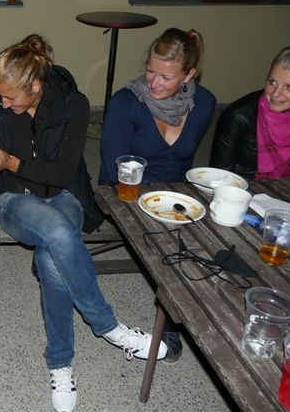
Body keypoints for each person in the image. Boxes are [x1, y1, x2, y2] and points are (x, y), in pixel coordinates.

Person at [0, 34, 166, 412]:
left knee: (51, 256)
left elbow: (62, 173)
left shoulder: (74, 105)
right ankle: (109, 327)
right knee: (60, 234)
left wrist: (11, 161)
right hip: (15, 197)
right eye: (0, 97)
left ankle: (60, 364)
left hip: (64, 194)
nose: (3, 103)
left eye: (11, 98)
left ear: (36, 86)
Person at [98, 28, 216, 364]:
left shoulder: (204, 103)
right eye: (150, 71)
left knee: (212, 236)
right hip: (124, 191)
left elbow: (184, 161)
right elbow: (115, 166)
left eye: (166, 77)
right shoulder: (125, 103)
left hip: (173, 194)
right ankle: (171, 326)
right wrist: (159, 199)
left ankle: (206, 312)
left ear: (189, 75)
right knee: (174, 245)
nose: (153, 82)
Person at [210, 45, 290, 180]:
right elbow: (218, 177)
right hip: (241, 189)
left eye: (289, 87)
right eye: (272, 82)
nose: (275, 93)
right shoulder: (238, 115)